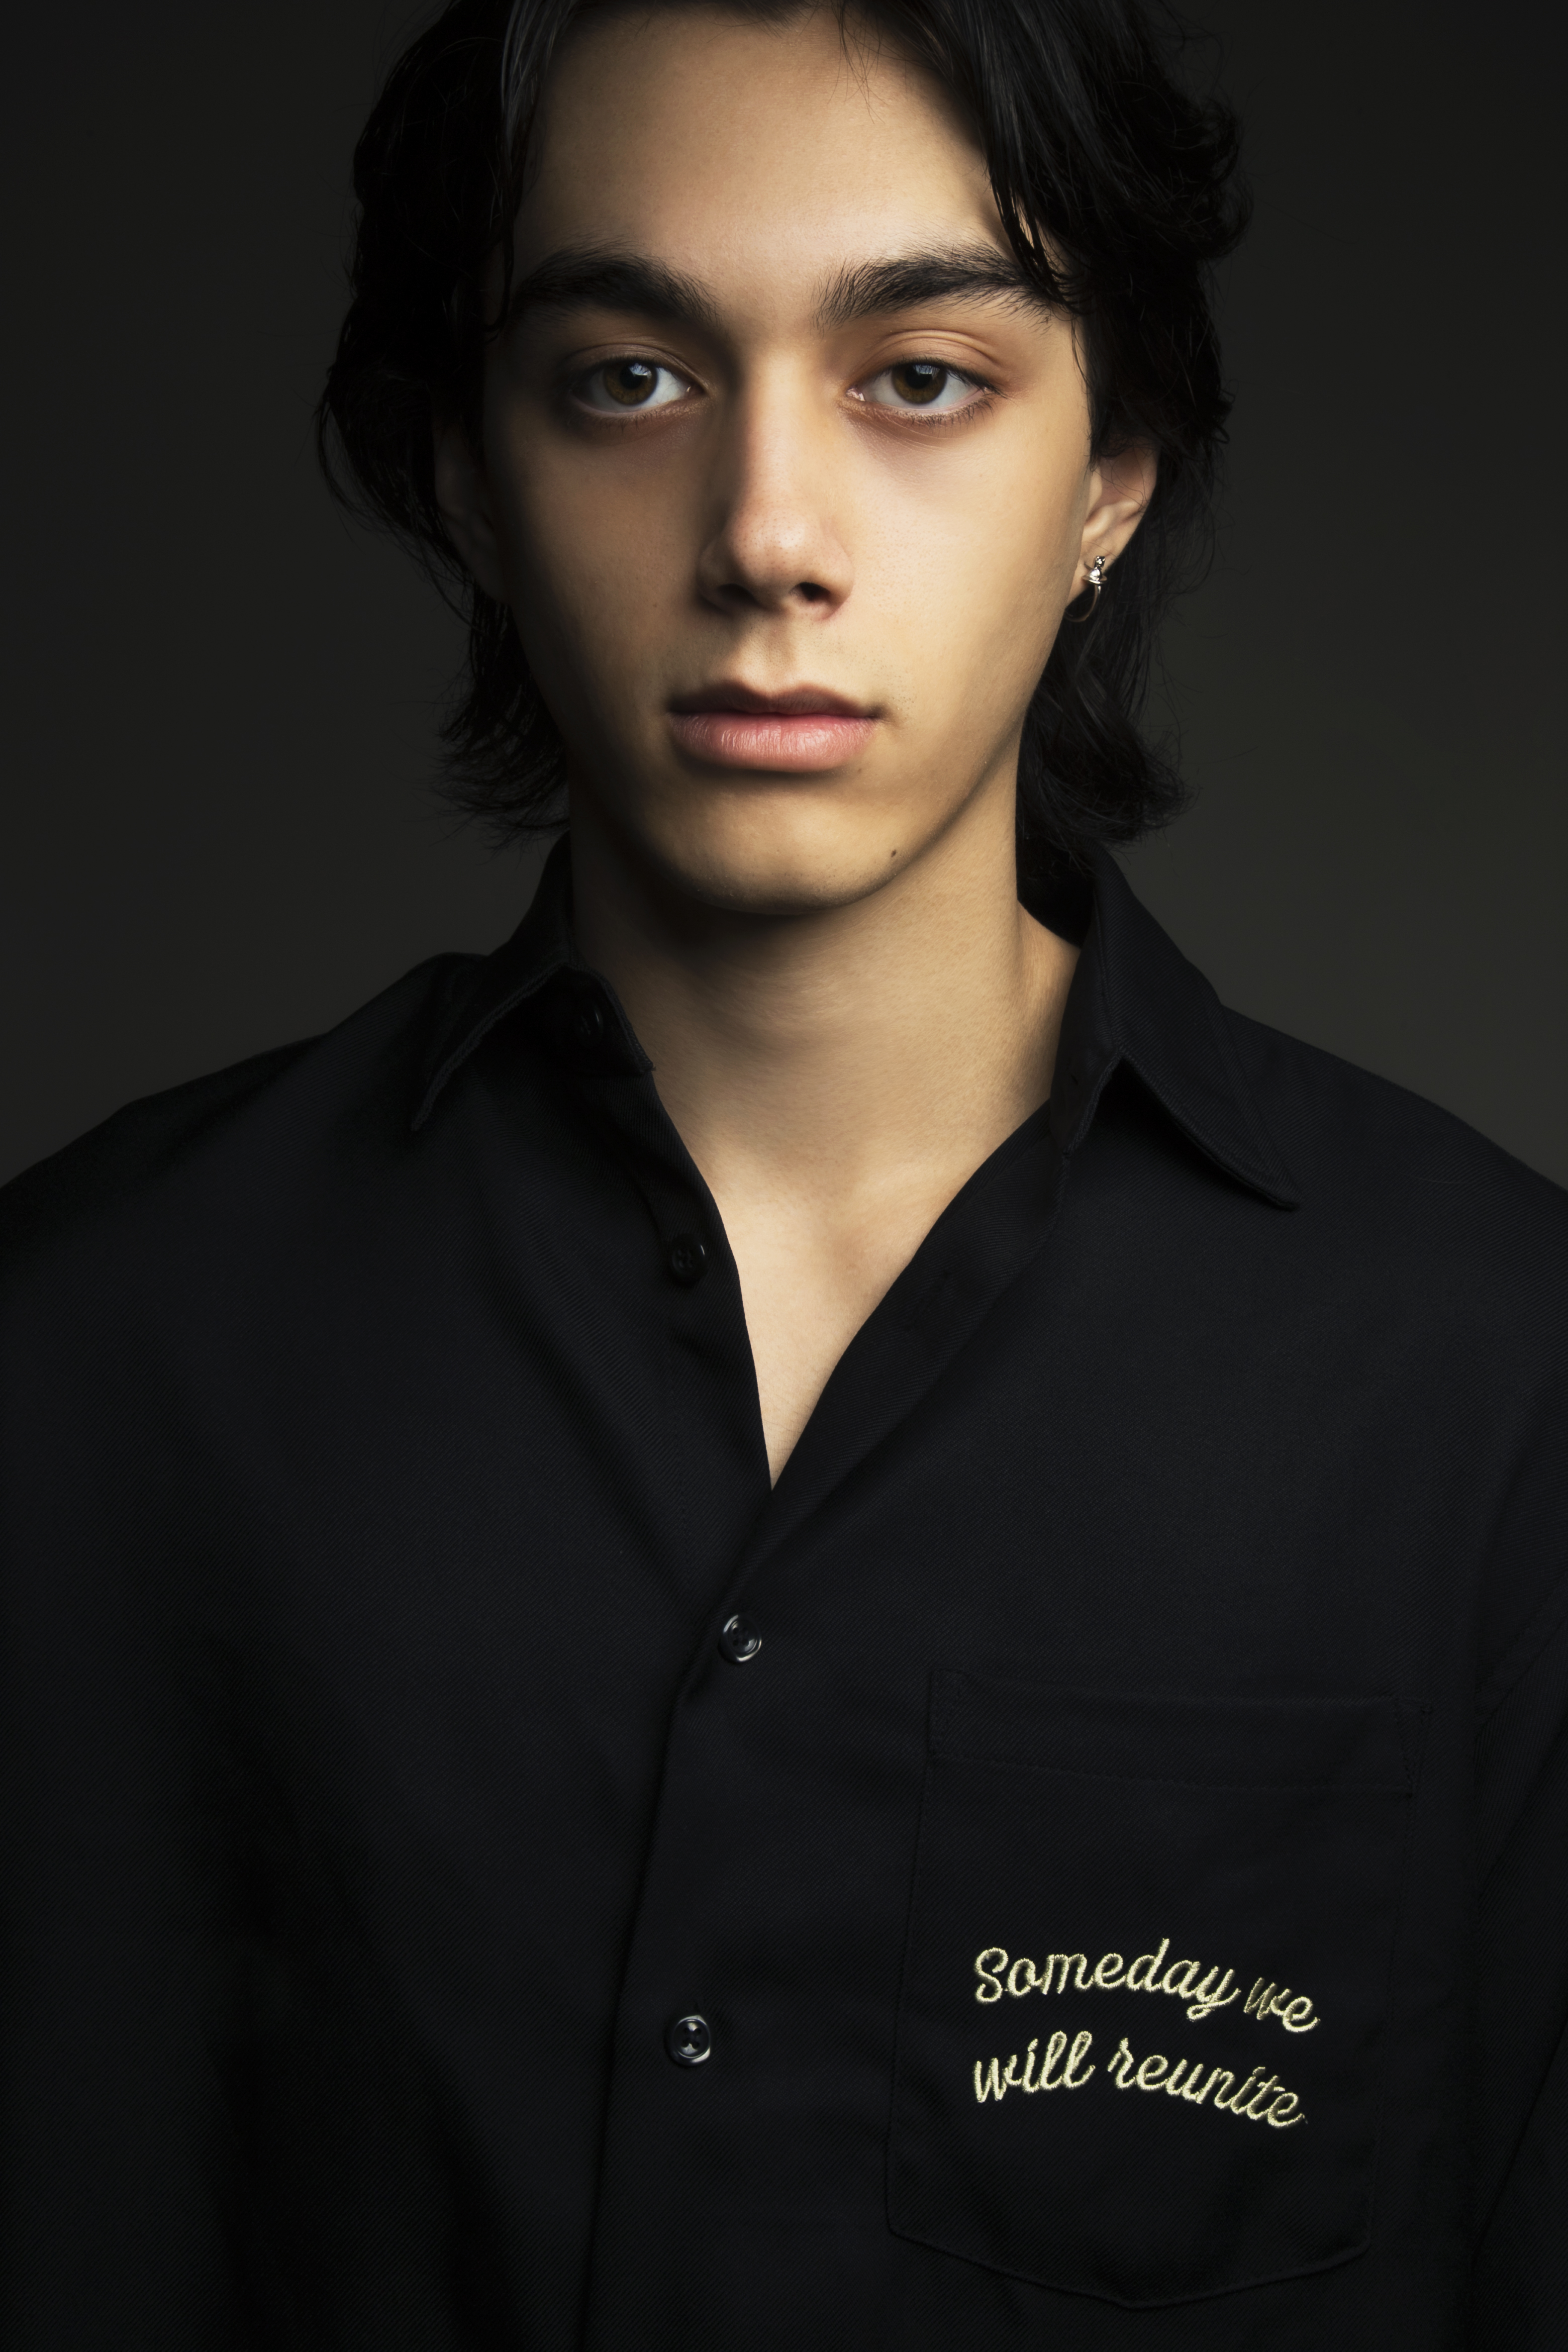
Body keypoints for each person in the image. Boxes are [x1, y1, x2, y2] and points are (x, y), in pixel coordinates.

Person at [2, 0, 1563, 2343]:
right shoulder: (91, 1353)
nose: (766, 537)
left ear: (1115, 470)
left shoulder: (1499, 1388)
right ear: (467, 470)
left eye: (919, 376)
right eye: (627, 377)